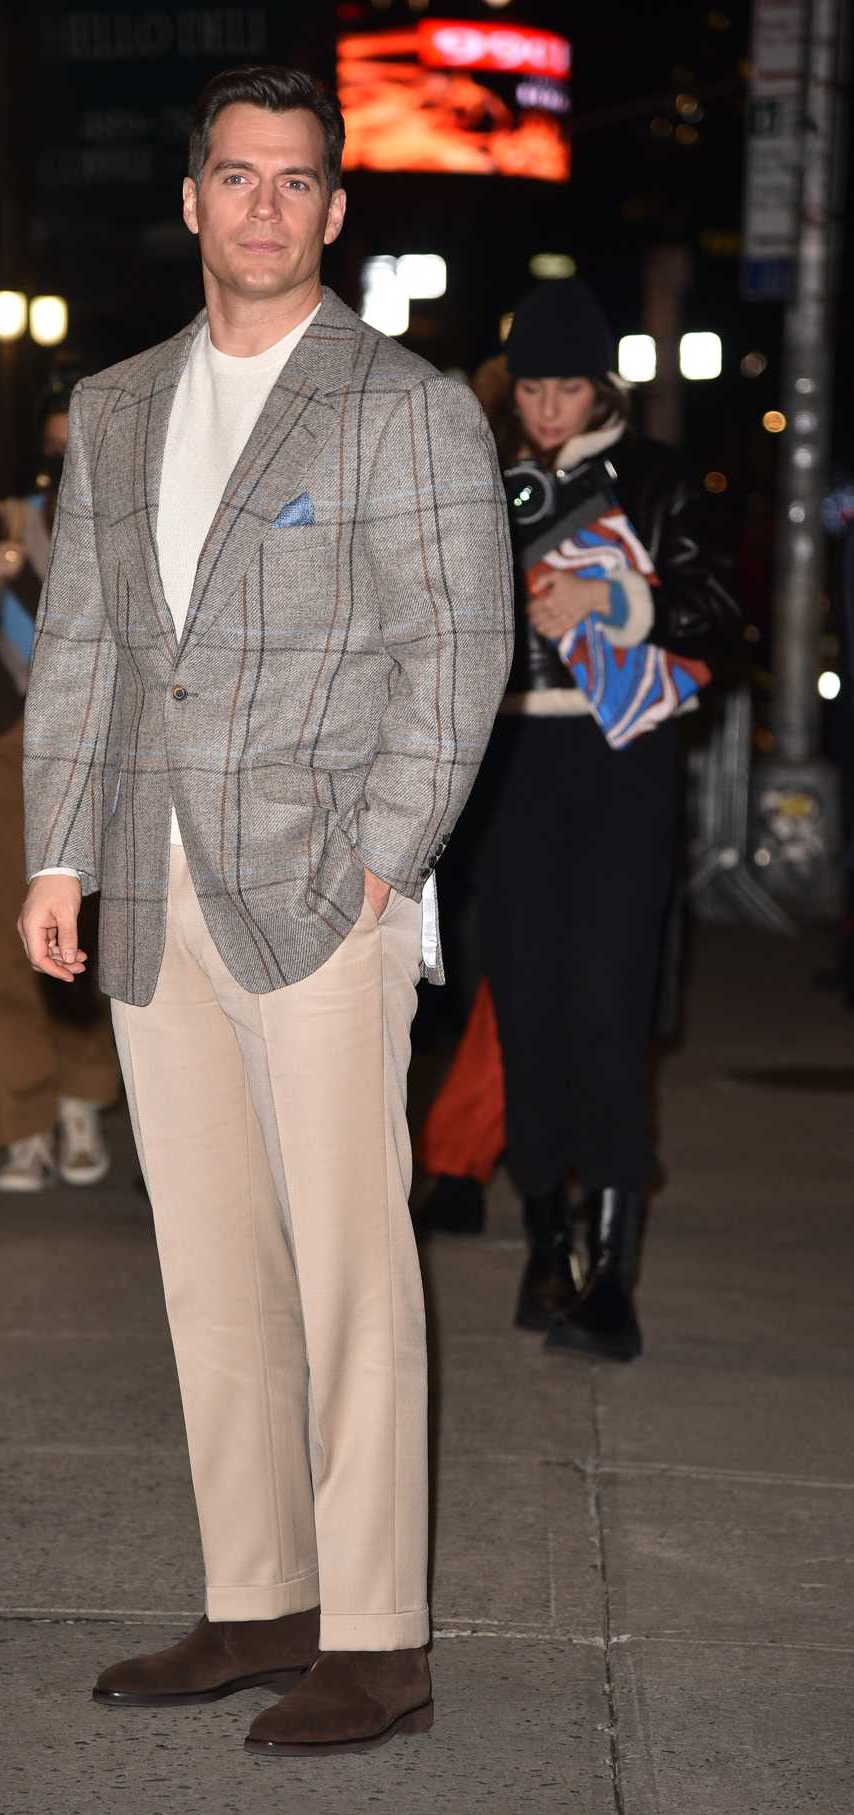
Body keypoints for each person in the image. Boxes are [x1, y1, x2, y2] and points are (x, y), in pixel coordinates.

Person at [18, 66, 512, 1756]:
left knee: (353, 1268)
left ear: (334, 212)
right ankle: (257, 1599)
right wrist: (58, 858)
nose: (263, 208)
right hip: (152, 896)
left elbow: (456, 658)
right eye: (236, 177)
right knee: (210, 1266)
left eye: (296, 183)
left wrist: (380, 862)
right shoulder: (121, 404)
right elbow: (81, 646)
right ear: (191, 199)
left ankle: (377, 1634)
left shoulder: (403, 406)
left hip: (320, 899)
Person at [478, 278, 739, 1361]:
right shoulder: (482, 485)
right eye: (531, 387)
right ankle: (549, 1238)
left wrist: (611, 601)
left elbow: (722, 612)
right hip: (507, 766)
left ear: (602, 385)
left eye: (567, 387)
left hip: (621, 758)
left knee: (605, 1007)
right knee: (525, 1010)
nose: (547, 408)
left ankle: (613, 1276)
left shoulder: (655, 479)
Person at [0, 385, 120, 1192]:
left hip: (101, 752)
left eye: (77, 445)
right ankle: (21, 1117)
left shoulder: (133, 523)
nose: (65, 463)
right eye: (53, 448)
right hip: (5, 743)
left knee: (87, 935)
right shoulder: (2, 522)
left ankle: (85, 1099)